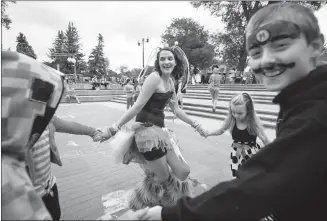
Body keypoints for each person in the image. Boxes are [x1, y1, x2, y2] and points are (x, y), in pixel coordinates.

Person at [139, 3, 327, 221]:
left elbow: (257, 185)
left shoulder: (315, 113)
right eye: (256, 52)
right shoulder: (298, 101)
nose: (266, 60)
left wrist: (168, 216)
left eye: (282, 45)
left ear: (315, 46)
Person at [95, 46, 206, 211]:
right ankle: (155, 206)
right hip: (146, 134)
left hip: (161, 132)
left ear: (176, 62)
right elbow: (137, 106)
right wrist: (113, 129)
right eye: (162, 59)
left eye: (170, 58)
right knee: (163, 177)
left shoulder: (172, 82)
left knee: (183, 171)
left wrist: (195, 124)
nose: (166, 61)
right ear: (158, 62)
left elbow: (176, 110)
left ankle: (146, 200)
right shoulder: (154, 78)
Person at [1, 51, 64, 220]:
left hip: (48, 188)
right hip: (35, 196)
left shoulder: (39, 120)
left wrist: (91, 131)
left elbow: (63, 124)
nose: (40, 106)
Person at [25, 115, 102, 221]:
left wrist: (93, 132)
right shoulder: (10, 126)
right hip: (25, 199)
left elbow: (70, 126)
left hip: (49, 188)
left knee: (55, 216)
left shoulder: (45, 116)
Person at [205, 93, 270, 177]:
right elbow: (220, 130)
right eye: (233, 112)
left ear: (248, 111)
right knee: (238, 176)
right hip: (237, 154)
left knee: (250, 176)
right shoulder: (232, 120)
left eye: (239, 113)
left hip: (251, 154)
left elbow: (265, 140)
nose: (235, 115)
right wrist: (209, 134)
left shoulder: (253, 123)